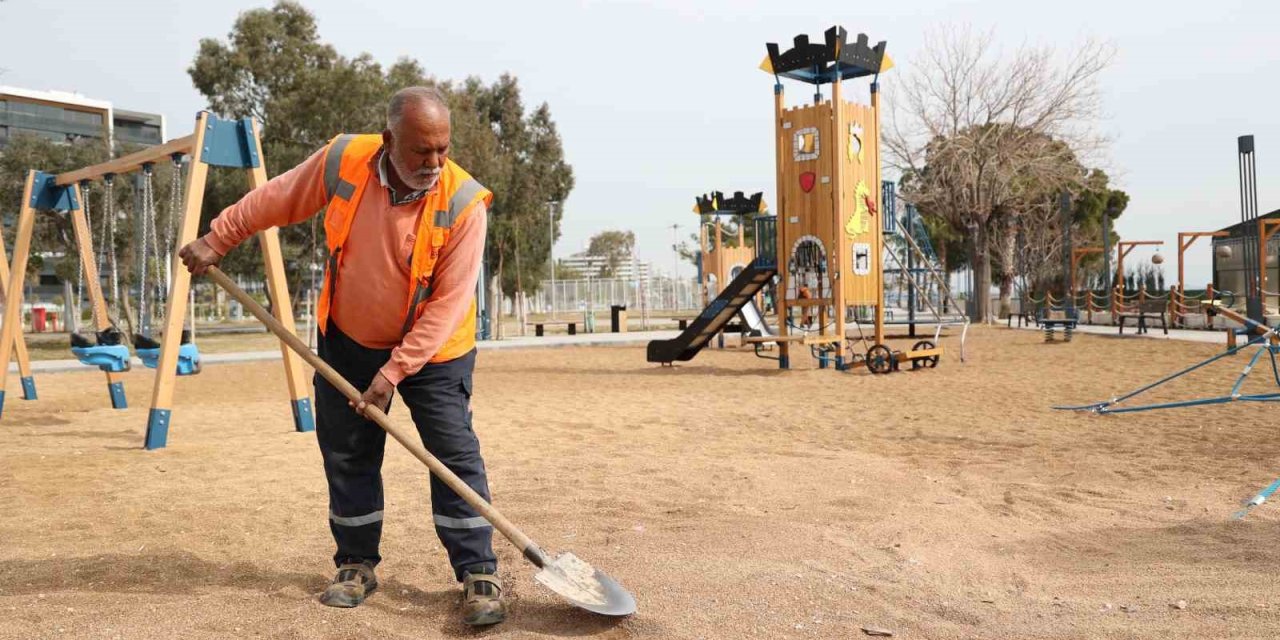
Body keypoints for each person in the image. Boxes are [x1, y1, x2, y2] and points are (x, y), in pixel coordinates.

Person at [178, 86, 505, 626]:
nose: (435, 162)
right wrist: (219, 237)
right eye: (423, 150)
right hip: (348, 340)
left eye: (443, 149)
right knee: (348, 454)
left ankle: (478, 571)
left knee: (452, 455)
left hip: (434, 352)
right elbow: (277, 197)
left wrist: (395, 371)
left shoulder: (464, 202)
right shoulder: (345, 159)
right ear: (389, 140)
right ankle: (355, 564)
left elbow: (447, 304)